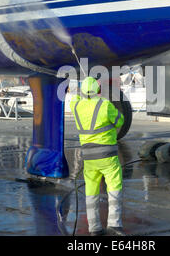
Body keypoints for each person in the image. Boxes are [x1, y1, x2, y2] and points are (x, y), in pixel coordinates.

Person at [70, 77, 125, 236]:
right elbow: (120, 120)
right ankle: (114, 225)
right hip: (108, 156)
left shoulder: (76, 106)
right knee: (114, 188)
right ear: (99, 91)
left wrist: (83, 92)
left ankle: (94, 228)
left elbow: (76, 98)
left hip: (89, 158)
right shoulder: (105, 105)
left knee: (91, 192)